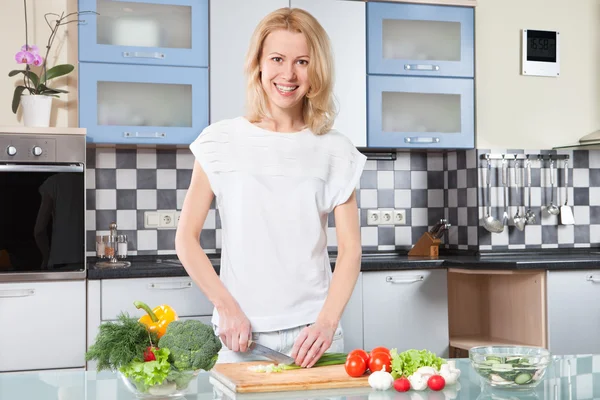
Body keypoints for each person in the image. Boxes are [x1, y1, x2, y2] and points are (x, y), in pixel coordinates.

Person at [175, 7, 366, 368]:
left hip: (315, 337)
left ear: (317, 70)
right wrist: (226, 309)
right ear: (258, 64)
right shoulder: (220, 141)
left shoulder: (336, 150)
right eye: (277, 58)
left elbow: (351, 250)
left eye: (303, 62)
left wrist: (326, 323)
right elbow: (186, 238)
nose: (288, 74)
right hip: (240, 334)